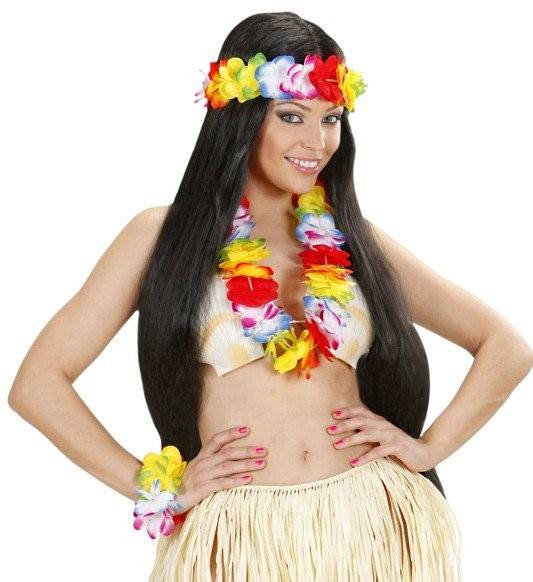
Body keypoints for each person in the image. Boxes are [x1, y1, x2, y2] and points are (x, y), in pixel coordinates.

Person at [8, 11, 533, 582]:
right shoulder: (162, 237)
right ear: (241, 116)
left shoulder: (354, 240)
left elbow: (504, 345)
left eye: (331, 118)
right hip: (240, 535)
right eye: (291, 116)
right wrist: (155, 486)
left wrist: (428, 449)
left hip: (370, 522)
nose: (318, 141)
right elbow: (38, 384)